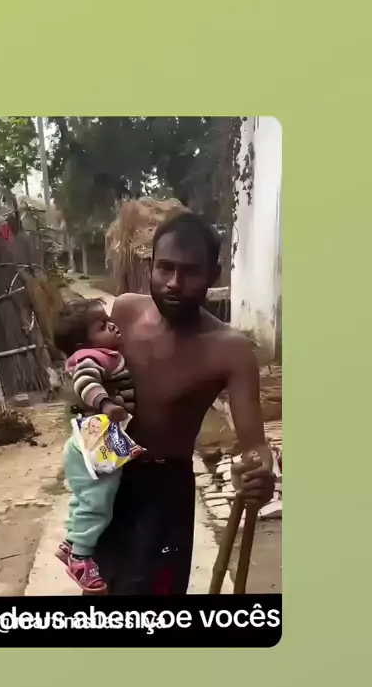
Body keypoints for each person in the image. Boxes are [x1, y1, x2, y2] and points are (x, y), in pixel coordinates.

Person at [92, 211, 276, 595]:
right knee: (99, 589)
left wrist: (257, 473)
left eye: (190, 272)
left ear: (213, 275)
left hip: (164, 491)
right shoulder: (124, 311)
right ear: (151, 266)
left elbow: (254, 445)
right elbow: (90, 368)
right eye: (166, 268)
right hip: (106, 475)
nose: (174, 282)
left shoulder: (229, 350)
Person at [53, 298, 136, 592]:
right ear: (82, 344)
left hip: (89, 438)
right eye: (102, 326)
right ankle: (80, 558)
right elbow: (85, 383)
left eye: (109, 320)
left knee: (86, 496)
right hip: (96, 438)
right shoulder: (91, 358)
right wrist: (106, 404)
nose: (112, 326)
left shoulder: (105, 355)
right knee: (99, 502)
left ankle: (70, 542)